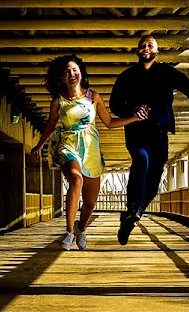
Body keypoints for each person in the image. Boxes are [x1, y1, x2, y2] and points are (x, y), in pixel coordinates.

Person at [31, 54, 149, 250]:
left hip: (91, 150)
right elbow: (51, 125)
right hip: (69, 145)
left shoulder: (94, 97)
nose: (71, 74)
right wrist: (40, 144)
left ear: (81, 73)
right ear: (62, 77)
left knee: (90, 203)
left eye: (74, 70)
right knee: (76, 179)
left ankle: (81, 228)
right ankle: (69, 232)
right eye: (67, 72)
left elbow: (110, 123)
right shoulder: (58, 101)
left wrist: (134, 118)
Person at [110, 34, 189, 245]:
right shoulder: (127, 76)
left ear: (157, 52)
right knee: (141, 160)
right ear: (138, 51)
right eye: (142, 46)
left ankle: (130, 219)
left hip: (159, 132)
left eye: (150, 45)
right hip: (136, 130)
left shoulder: (166, 72)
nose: (146, 48)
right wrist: (133, 110)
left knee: (154, 180)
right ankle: (133, 208)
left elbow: (183, 83)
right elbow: (114, 105)